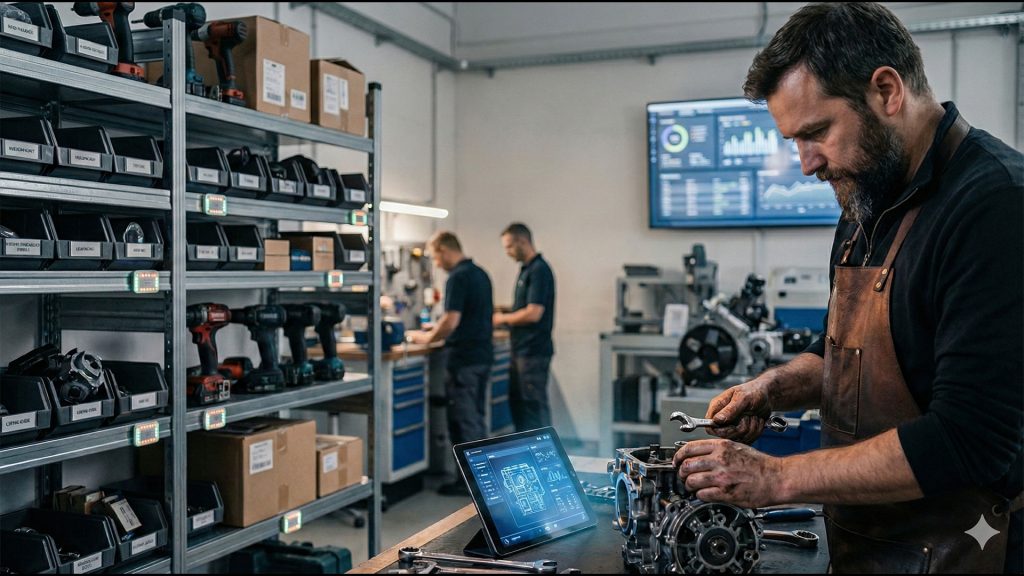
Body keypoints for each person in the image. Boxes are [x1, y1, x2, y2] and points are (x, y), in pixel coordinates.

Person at [672, 3, 1023, 573]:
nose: (806, 164)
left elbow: (969, 440)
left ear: (886, 91)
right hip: (870, 549)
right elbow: (842, 354)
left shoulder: (995, 205)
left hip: (965, 553)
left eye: (816, 132)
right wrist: (772, 388)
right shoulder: (868, 199)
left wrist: (775, 477)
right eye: (794, 141)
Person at [409, 231, 494, 496]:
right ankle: (480, 482)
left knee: (464, 421)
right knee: (475, 419)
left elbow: (451, 320)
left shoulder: (458, 277)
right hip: (480, 356)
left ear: (444, 250)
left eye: (436, 257)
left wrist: (428, 338)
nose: (436, 263)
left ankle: (472, 485)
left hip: (464, 360)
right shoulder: (480, 273)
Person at [493, 223, 556, 431]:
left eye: (509, 246)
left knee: (533, 408)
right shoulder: (526, 270)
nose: (507, 252)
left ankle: (544, 450)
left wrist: (502, 319)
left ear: (523, 241)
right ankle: (525, 449)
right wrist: (504, 311)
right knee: (519, 406)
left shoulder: (539, 270)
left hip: (532, 351)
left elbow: (533, 313)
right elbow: (524, 308)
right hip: (521, 350)